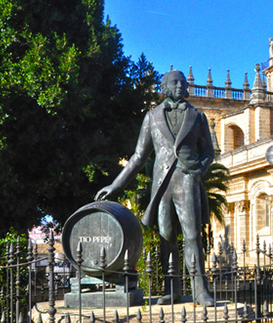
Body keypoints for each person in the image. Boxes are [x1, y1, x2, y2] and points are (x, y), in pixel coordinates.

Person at [95, 70, 216, 307]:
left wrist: (197, 172)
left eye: (183, 82)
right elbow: (139, 156)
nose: (180, 85)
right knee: (166, 237)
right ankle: (172, 290)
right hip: (161, 184)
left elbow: (209, 153)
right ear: (165, 87)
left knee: (192, 236)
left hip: (187, 180)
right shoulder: (152, 117)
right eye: (175, 82)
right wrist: (116, 185)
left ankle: (201, 291)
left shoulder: (198, 116)